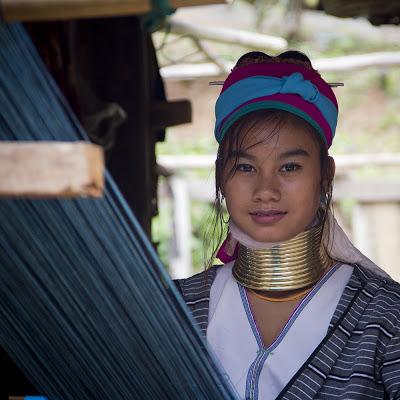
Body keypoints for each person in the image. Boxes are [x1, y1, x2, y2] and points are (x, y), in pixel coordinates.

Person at [176, 51, 400, 399]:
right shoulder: (177, 309)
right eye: (245, 168)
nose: (266, 191)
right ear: (221, 176)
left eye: (290, 167)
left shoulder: (386, 318)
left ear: (326, 175)